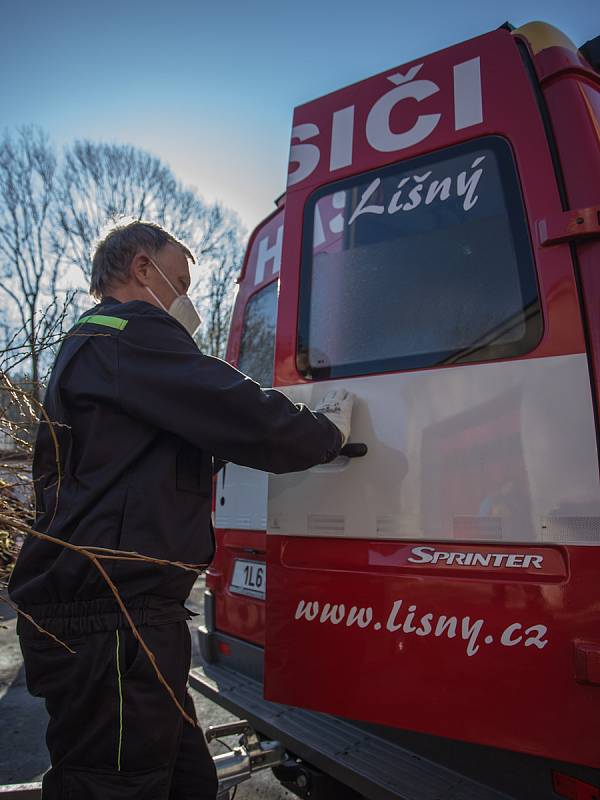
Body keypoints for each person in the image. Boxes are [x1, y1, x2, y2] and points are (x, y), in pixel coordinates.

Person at [8, 218, 354, 800]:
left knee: (185, 781)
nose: (187, 300)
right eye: (181, 281)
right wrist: (328, 433)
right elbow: (235, 410)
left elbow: (159, 461)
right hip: (113, 621)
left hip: (125, 617)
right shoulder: (129, 330)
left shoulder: (95, 347)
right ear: (141, 269)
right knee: (117, 785)